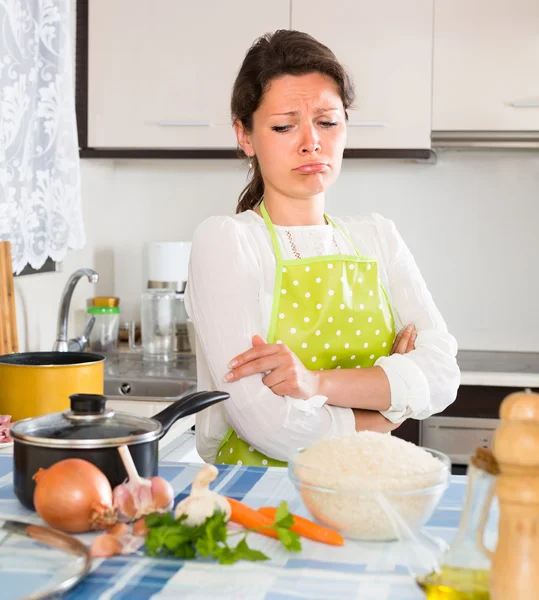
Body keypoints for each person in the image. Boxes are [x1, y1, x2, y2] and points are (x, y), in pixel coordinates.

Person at [185, 30, 460, 467]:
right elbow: (267, 426)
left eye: (328, 122)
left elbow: (443, 378)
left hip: (367, 491)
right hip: (259, 502)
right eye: (283, 126)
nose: (311, 141)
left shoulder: (378, 237)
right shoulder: (227, 242)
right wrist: (389, 410)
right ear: (245, 136)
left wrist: (315, 383)